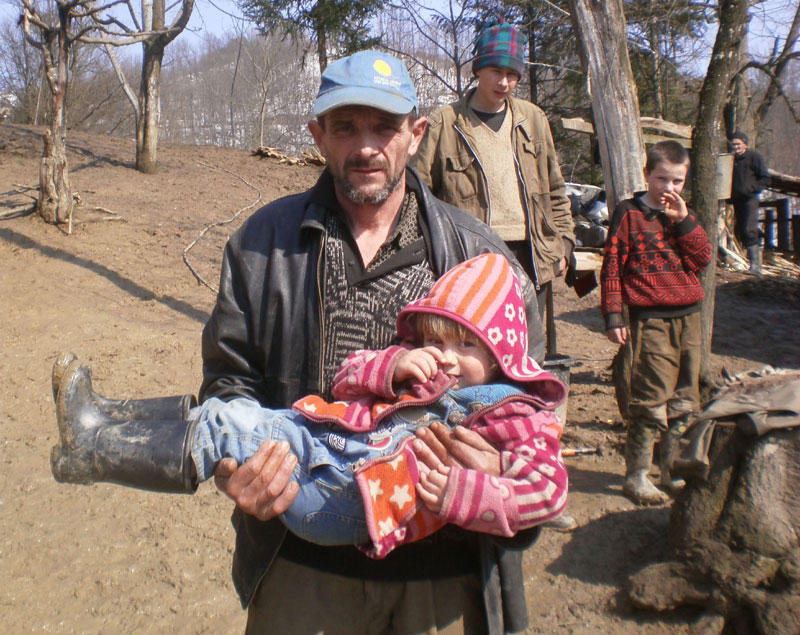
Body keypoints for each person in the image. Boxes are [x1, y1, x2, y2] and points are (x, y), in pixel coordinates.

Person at [51, 50, 547, 634]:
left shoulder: (481, 258)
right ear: (318, 136)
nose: (366, 147)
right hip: (299, 556)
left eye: (384, 127)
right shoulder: (261, 242)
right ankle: (103, 433)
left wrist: (501, 473)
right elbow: (229, 379)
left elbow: (537, 407)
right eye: (345, 127)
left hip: (439, 576)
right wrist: (235, 471)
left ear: (416, 135)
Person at [52, 254, 568, 562]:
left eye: (467, 346)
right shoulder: (420, 370)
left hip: (346, 495)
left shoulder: (517, 414)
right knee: (221, 415)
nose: (447, 358)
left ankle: (93, 452)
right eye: (437, 340)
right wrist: (393, 366)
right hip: (324, 450)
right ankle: (106, 419)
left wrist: (472, 489)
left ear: (500, 353)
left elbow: (549, 491)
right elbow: (345, 379)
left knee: (227, 429)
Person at [412, 21, 575, 328]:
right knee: (474, 340)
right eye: (496, 71)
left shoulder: (533, 119)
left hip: (530, 255)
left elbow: (555, 189)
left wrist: (564, 244)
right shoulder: (445, 123)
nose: (504, 82)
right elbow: (418, 195)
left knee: (529, 344)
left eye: (512, 74)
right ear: (478, 69)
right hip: (471, 256)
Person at [600, 140, 712, 505]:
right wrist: (614, 314)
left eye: (677, 181)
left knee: (685, 398)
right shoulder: (629, 213)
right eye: (662, 179)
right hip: (651, 319)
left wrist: (683, 221)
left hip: (689, 316)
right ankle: (637, 475)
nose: (669, 187)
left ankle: (671, 469)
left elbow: (702, 259)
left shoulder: (685, 215)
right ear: (647, 174)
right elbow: (612, 266)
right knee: (650, 397)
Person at [729, 131, 770, 275]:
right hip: (736, 200)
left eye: (738, 144)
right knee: (741, 230)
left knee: (749, 229)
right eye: (733, 144)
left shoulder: (753, 157)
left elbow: (765, 178)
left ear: (745, 144)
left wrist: (753, 189)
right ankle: (749, 263)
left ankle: (756, 267)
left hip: (749, 199)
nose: (735, 147)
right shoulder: (730, 160)